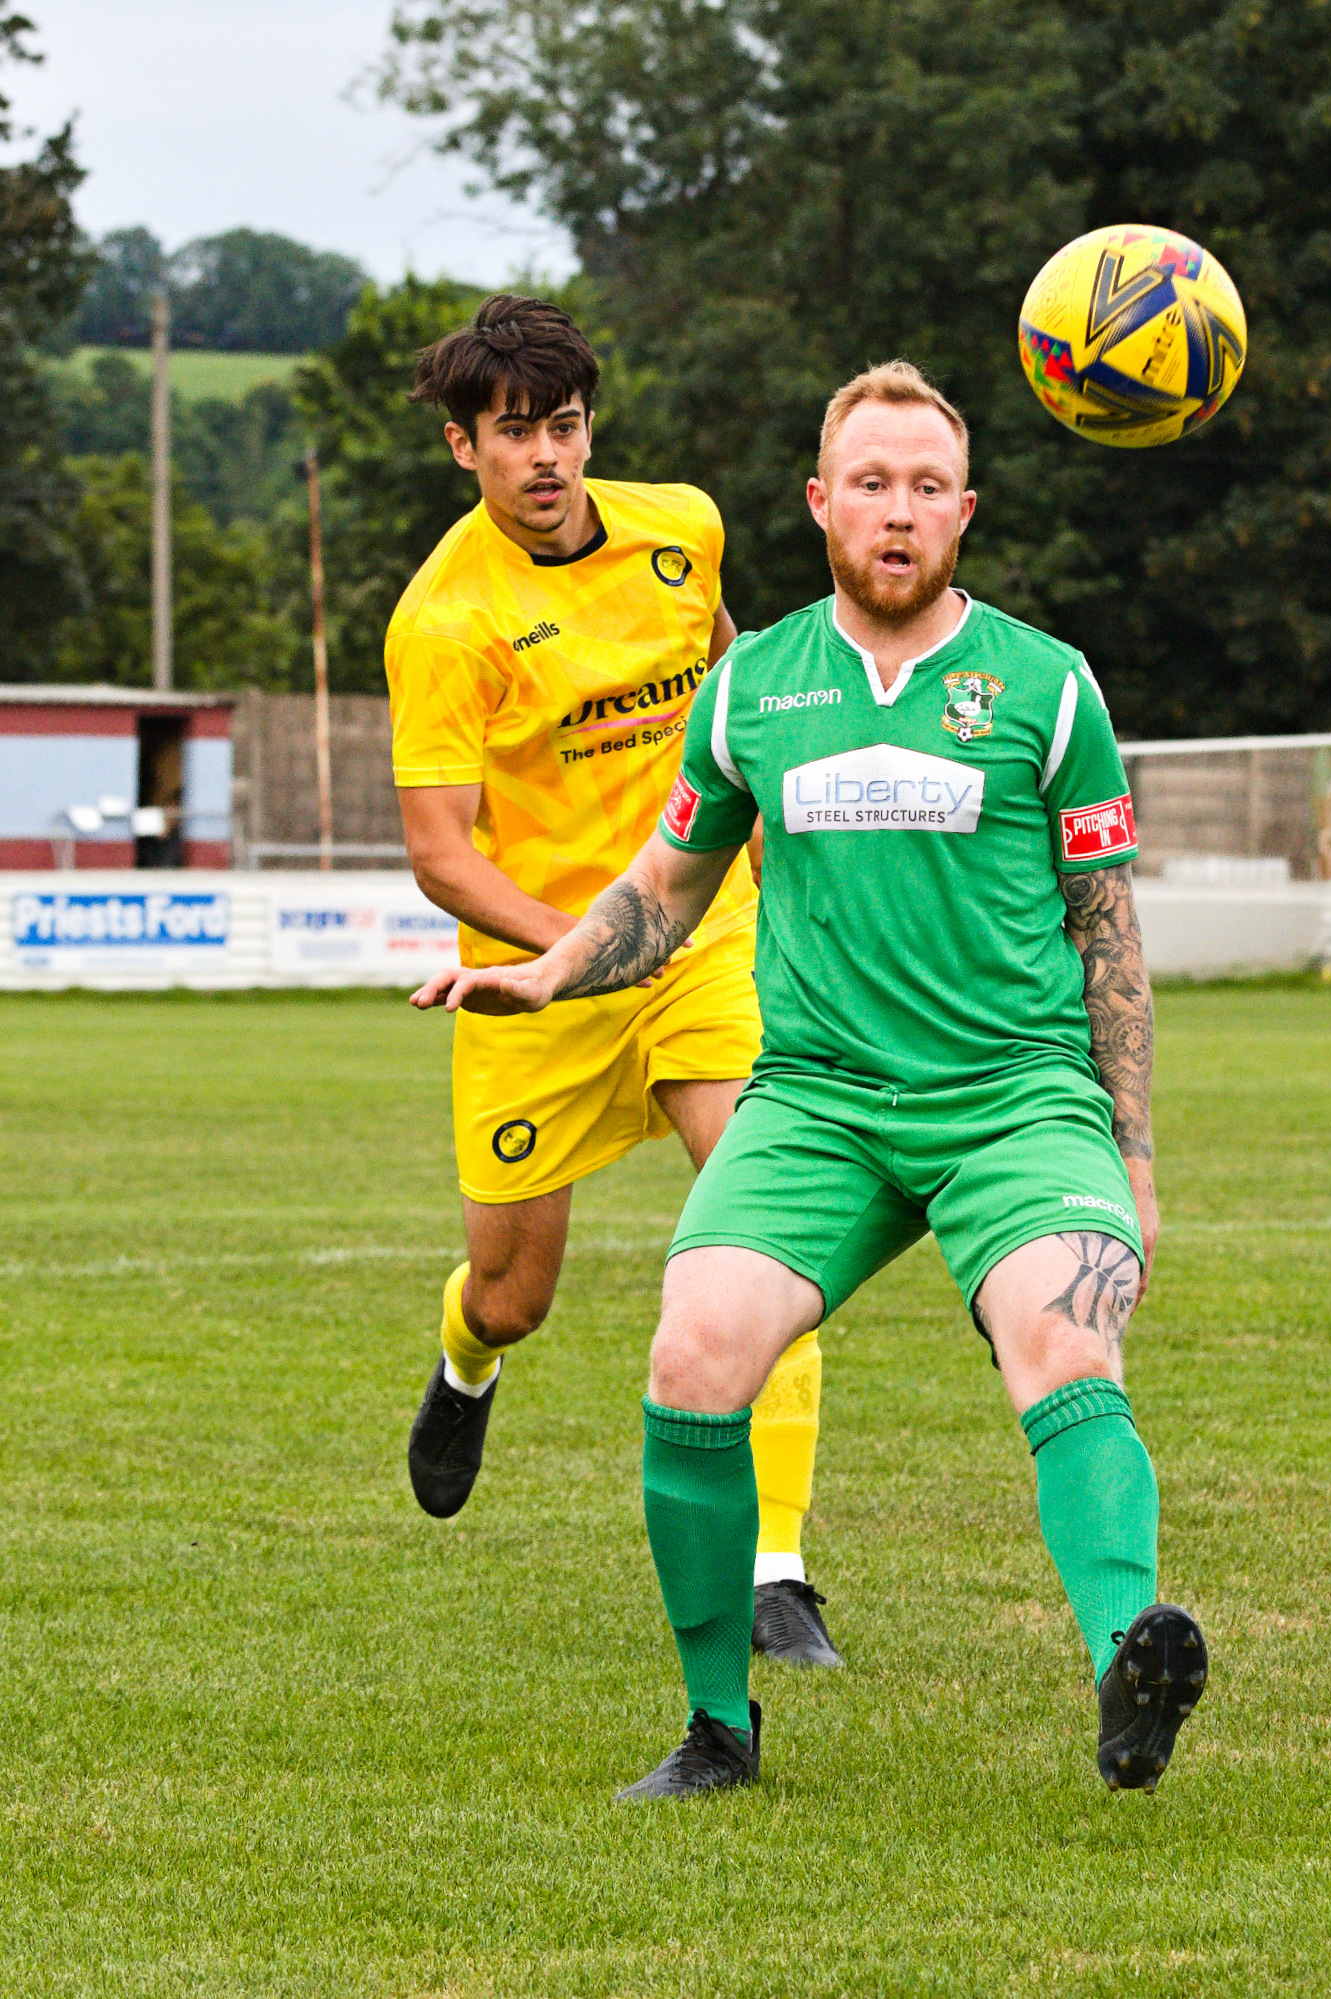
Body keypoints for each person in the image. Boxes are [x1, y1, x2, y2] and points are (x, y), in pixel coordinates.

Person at [412, 358, 1208, 1798]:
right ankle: (719, 1730)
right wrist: (547, 971)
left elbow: (1109, 936)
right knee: (693, 1356)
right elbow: (665, 888)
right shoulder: (752, 688)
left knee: (1066, 1345)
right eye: (870, 484)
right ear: (819, 504)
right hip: (820, 1105)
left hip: (1015, 1102)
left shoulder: (1050, 687)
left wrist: (1133, 1160)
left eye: (926, 487)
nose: (898, 511)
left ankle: (1128, 1663)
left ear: (964, 512)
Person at [388, 293, 841, 1667]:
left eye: (566, 427)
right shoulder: (444, 621)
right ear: (464, 446)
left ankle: (777, 1570)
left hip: (705, 942)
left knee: (764, 1223)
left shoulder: (682, 531)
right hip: (534, 978)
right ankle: (467, 1360)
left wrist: (783, 840)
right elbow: (440, 853)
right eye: (514, 434)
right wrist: (575, 950)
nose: (546, 457)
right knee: (515, 1291)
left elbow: (738, 688)